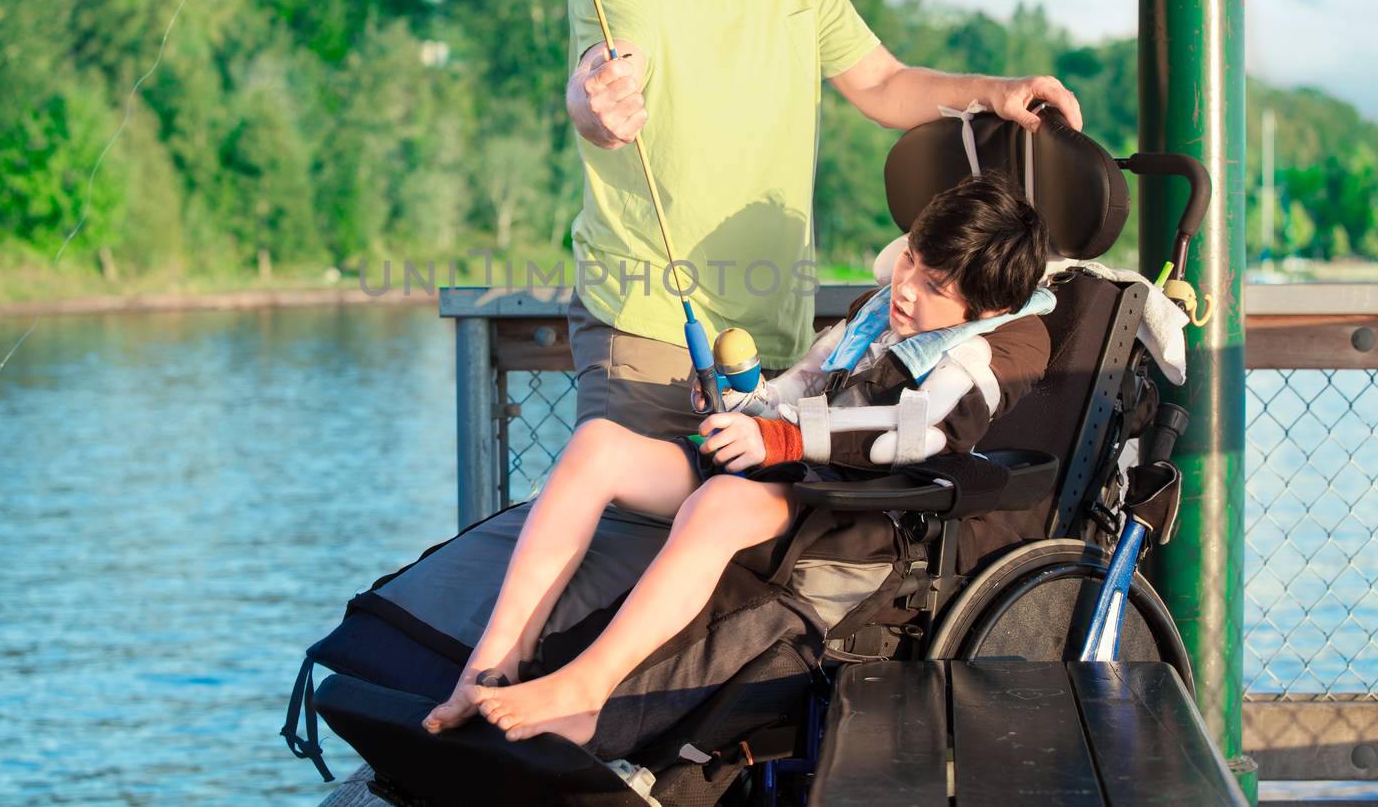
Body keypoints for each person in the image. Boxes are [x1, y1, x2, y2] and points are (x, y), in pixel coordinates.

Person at [424, 173, 1052, 746]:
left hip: (868, 514)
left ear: (986, 309)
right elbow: (804, 383)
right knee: (598, 446)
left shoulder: (995, 351)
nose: (905, 288)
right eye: (910, 259)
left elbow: (913, 431)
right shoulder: (878, 311)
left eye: (933, 286)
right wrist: (749, 402)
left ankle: (586, 691)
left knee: (720, 501)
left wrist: (783, 441)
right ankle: (495, 661)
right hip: (798, 479)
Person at [565, 0, 1084, 444]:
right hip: (654, 333)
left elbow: (881, 83)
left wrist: (996, 91)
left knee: (749, 544)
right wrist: (597, 103)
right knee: (634, 533)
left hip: (784, 347)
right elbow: (598, 78)